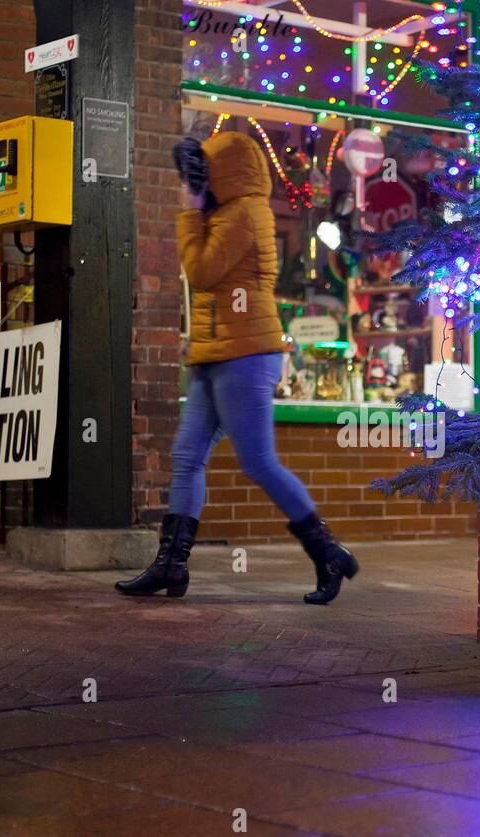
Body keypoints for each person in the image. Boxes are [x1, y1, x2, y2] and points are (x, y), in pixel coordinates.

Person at [116, 132, 358, 604]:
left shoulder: (246, 211)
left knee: (258, 461)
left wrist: (189, 212)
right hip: (213, 353)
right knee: (187, 458)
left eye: (200, 174)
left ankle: (327, 552)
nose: (193, 183)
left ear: (222, 172)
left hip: (246, 353)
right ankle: (172, 564)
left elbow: (203, 271)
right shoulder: (223, 212)